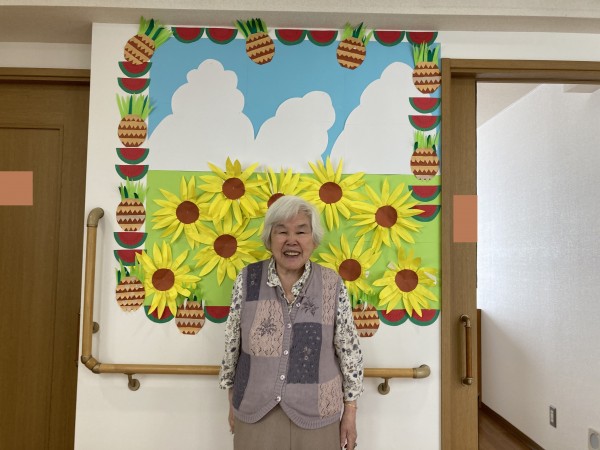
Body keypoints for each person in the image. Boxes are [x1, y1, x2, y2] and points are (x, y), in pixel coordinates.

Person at [219, 195, 364, 450]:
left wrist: (350, 411)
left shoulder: (331, 283)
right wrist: (232, 399)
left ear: (313, 240)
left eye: (301, 231)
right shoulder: (247, 279)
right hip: (255, 411)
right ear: (269, 238)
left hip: (318, 415)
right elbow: (232, 342)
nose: (291, 240)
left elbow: (348, 350)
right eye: (282, 231)